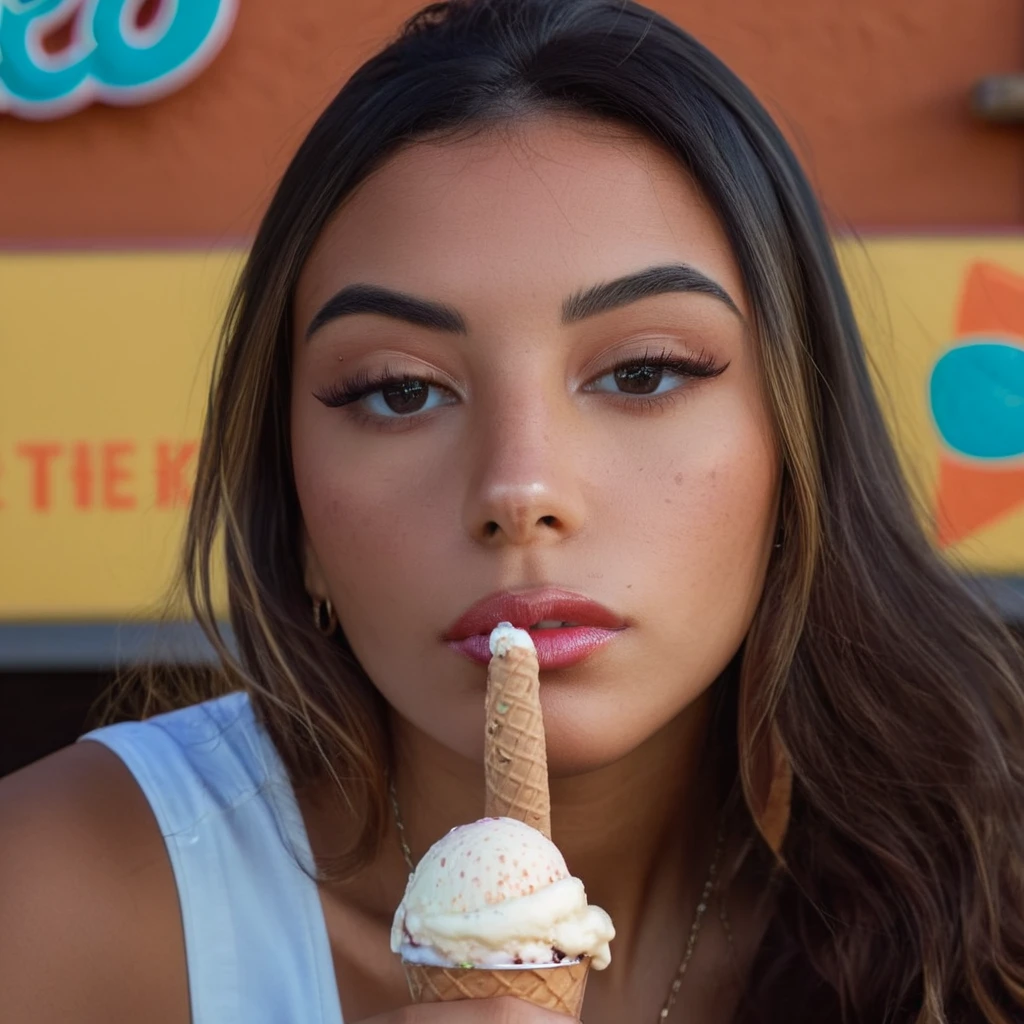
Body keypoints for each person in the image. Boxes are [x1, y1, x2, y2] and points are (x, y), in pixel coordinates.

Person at [2, 1, 1023, 1021]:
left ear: (798, 446)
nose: (518, 489)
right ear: (294, 502)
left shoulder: (985, 885)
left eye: (642, 371)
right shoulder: (58, 900)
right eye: (401, 390)